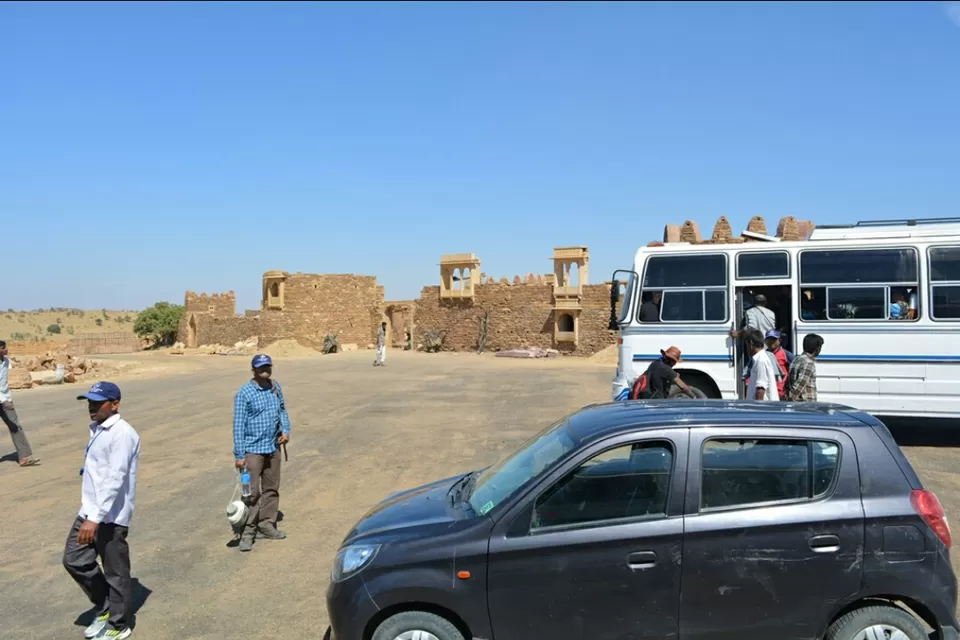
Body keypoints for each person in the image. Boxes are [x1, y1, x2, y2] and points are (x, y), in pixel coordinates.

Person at [63, 381, 140, 640]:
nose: (91, 407)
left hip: (110, 516)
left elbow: (116, 478)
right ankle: (106, 605)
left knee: (116, 572)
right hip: (90, 511)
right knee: (74, 560)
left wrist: (95, 519)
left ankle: (120, 625)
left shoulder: (123, 434)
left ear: (115, 404)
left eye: (97, 402)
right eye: (89, 402)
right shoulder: (98, 429)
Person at [233, 354, 291, 552]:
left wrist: (286, 430)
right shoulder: (245, 393)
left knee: (271, 488)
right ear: (253, 370)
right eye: (260, 367)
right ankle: (247, 531)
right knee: (251, 493)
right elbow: (238, 426)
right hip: (252, 450)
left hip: (272, 447)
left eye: (267, 366)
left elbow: (283, 410)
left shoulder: (275, 387)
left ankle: (266, 524)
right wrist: (240, 455)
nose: (265, 369)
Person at [0, 339, 40, 467]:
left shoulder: (6, 361)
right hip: (3, 400)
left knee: (16, 427)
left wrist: (8, 398)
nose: (6, 350)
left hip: (5, 399)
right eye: (3, 348)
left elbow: (4, 382)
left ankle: (24, 457)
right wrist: (4, 400)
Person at [784, 333, 824, 402]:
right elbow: (799, 386)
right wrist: (790, 399)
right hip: (806, 405)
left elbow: (788, 383)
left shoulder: (796, 359)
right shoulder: (809, 363)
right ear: (817, 348)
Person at [744, 329, 779, 401]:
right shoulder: (761, 358)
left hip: (762, 409)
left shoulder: (760, 361)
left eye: (746, 344)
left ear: (751, 343)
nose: (747, 348)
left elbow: (761, 389)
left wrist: (758, 409)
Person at [764, 330, 795, 399]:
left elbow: (795, 368)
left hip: (782, 392)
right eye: (769, 340)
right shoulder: (764, 355)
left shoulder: (786, 354)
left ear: (779, 340)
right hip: (768, 391)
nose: (771, 342)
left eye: (774, 339)